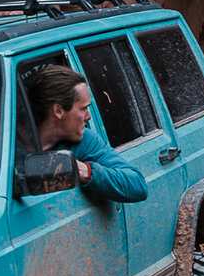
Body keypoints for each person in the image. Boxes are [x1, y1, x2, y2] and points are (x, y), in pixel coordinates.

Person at [22, 62, 148, 202]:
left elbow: (137, 185)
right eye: (83, 109)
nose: (89, 116)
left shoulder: (84, 140)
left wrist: (86, 172)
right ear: (58, 111)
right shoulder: (6, 144)